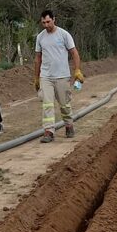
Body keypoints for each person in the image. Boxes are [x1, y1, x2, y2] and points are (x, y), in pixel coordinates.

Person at [33, 10, 85, 143]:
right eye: (43, 22)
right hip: (46, 76)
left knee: (64, 104)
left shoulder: (63, 35)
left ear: (54, 19)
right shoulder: (40, 37)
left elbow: (74, 53)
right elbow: (38, 58)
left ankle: (68, 125)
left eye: (48, 21)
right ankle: (49, 131)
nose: (46, 24)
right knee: (47, 104)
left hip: (62, 75)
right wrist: (36, 77)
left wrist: (77, 70)